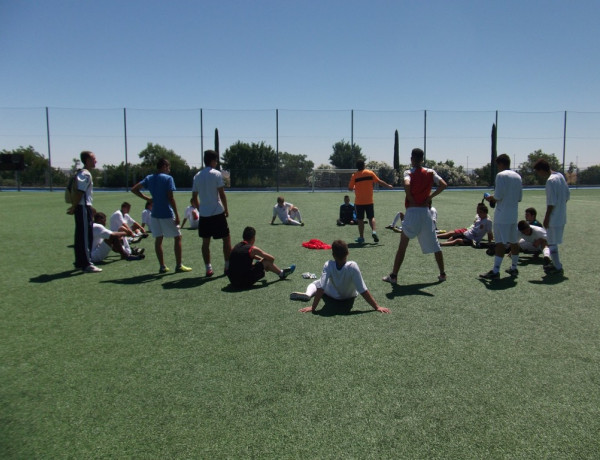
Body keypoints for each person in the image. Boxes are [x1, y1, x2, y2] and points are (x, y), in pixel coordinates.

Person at [383, 148, 447, 284]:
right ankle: (442, 274)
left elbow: (407, 183)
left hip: (412, 212)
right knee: (435, 245)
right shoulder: (430, 172)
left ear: (412, 159)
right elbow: (443, 184)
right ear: (422, 159)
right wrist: (430, 196)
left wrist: (410, 196)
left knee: (403, 245)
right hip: (425, 213)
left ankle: (393, 276)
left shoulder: (408, 172)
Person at [294, 239, 390, 314]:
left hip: (333, 295)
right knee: (322, 283)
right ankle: (309, 294)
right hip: (350, 295)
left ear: (333, 255)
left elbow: (321, 288)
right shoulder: (353, 266)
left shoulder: (328, 265)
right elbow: (363, 290)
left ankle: (308, 294)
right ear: (347, 253)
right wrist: (377, 307)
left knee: (316, 283)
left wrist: (313, 307)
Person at [131, 158, 192, 274]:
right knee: (178, 237)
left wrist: (147, 199)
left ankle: (162, 266)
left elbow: (134, 189)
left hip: (155, 214)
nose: (169, 169)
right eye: (168, 167)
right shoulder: (168, 178)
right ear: (164, 166)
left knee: (158, 239)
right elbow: (170, 198)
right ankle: (179, 265)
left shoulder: (149, 178)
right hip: (166, 213)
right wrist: (177, 215)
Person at [480, 153, 523, 279]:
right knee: (514, 242)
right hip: (513, 215)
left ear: (500, 164)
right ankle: (514, 268)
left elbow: (498, 196)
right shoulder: (518, 176)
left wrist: (489, 197)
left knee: (499, 243)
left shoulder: (500, 175)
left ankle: (495, 271)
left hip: (502, 215)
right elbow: (519, 198)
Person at [192, 150, 231, 277]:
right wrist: (226, 208)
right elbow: (221, 193)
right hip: (217, 213)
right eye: (216, 160)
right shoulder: (216, 174)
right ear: (213, 161)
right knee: (226, 239)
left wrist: (200, 209)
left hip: (204, 215)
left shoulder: (197, 176)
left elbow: (194, 198)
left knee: (205, 243)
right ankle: (227, 266)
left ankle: (208, 268)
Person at [66, 150, 101, 273]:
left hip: (84, 207)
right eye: (93, 158)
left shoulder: (82, 173)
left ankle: (80, 262)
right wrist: (74, 206)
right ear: (87, 160)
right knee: (86, 236)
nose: (95, 161)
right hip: (82, 208)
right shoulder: (85, 174)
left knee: (80, 236)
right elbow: (80, 192)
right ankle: (87, 263)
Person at [533, 158, 570, 275]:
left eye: (538, 172)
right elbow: (567, 196)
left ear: (542, 170)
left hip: (554, 217)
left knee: (552, 242)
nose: (539, 175)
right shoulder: (560, 176)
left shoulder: (550, 181)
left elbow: (551, 202)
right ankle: (555, 264)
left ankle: (557, 267)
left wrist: (547, 217)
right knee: (553, 241)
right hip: (562, 215)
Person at [227, 226, 295, 288]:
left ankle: (280, 272)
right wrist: (263, 263)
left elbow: (241, 262)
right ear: (253, 237)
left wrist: (259, 261)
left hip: (232, 281)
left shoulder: (236, 247)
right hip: (243, 282)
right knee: (266, 262)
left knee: (259, 263)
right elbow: (272, 259)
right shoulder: (253, 249)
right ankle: (282, 273)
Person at [348, 159, 393, 243]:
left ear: (357, 167)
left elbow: (350, 188)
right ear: (364, 165)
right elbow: (379, 182)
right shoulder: (370, 173)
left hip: (359, 202)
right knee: (371, 217)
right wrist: (388, 186)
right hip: (369, 201)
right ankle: (374, 231)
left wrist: (355, 187)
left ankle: (361, 237)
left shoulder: (354, 175)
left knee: (360, 219)